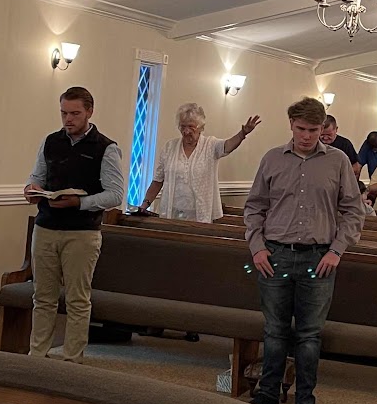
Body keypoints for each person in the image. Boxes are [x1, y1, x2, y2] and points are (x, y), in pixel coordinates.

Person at [244, 97, 365, 404]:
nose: (307, 136)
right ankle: (268, 394)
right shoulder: (272, 159)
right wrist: (257, 247)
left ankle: (305, 401)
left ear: (323, 128)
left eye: (313, 130)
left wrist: (337, 250)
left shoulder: (337, 161)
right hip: (275, 255)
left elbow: (354, 211)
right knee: (274, 330)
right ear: (291, 125)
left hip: (319, 257)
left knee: (309, 335)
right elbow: (254, 207)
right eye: (301, 129)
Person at [21, 86, 125, 361]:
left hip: (82, 232)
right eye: (64, 113)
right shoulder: (51, 142)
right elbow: (37, 176)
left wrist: (79, 203)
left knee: (77, 299)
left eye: (75, 113)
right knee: (42, 297)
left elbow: (115, 194)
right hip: (45, 227)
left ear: (89, 112)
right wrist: (32, 189)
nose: (68, 119)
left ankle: (71, 361)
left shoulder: (106, 148)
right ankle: (37, 356)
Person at [140, 104, 260, 222]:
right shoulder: (169, 147)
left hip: (199, 216)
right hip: (171, 214)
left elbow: (227, 146)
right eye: (183, 126)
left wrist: (242, 134)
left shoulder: (210, 145)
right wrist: (145, 204)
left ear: (201, 127)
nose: (186, 131)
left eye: (191, 126)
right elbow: (157, 181)